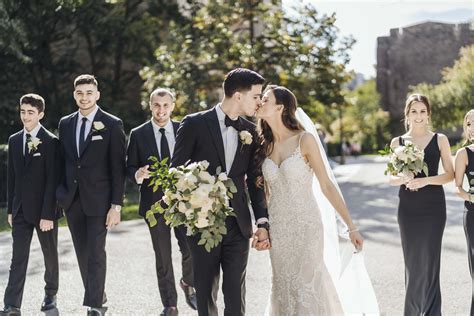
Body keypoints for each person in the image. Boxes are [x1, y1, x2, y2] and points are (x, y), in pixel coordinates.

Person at [255, 85, 378, 315]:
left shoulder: (305, 140)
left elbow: (327, 185)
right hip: (279, 228)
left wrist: (351, 227)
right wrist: (262, 226)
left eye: (264, 99)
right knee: (283, 286)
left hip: (307, 225)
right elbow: (264, 193)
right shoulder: (263, 145)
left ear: (280, 107)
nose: (259, 102)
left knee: (307, 286)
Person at [172, 68, 269, 315]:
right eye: (256, 96)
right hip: (202, 224)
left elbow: (255, 181)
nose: (259, 102)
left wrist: (262, 221)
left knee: (236, 295)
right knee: (205, 293)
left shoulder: (251, 132)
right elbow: (176, 173)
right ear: (238, 95)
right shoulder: (194, 123)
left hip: (238, 224)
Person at [56, 74, 126, 316]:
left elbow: (118, 168)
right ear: (74, 95)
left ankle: (95, 303)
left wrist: (116, 205)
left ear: (97, 95)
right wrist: (59, 193)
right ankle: (98, 291)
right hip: (72, 199)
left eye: (89, 93)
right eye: (80, 93)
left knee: (96, 251)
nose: (84, 98)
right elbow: (62, 161)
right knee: (82, 251)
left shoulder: (112, 123)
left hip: (100, 200)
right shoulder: (65, 124)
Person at [126, 88, 197, 316]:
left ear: (173, 106)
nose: (161, 110)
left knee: (189, 248)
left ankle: (188, 282)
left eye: (166, 105)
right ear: (150, 106)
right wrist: (138, 174)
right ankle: (170, 304)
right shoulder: (138, 134)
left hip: (182, 203)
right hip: (154, 204)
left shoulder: (183, 129)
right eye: (157, 105)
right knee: (163, 256)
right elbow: (128, 167)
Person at [388, 93, 454, 315]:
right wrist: (404, 179)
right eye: (414, 111)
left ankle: (432, 312)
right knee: (412, 262)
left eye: (422, 111)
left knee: (431, 262)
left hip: (434, 208)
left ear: (429, 114)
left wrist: (425, 180)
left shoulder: (440, 139)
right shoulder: (397, 143)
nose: (418, 116)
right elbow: (391, 177)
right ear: (407, 114)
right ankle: (413, 311)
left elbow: (450, 175)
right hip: (408, 208)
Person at [1, 94, 60, 315]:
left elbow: (53, 180)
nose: (25, 116)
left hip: (44, 212)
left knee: (50, 256)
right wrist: (9, 209)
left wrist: (48, 213)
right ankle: (12, 304)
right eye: (23, 111)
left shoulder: (51, 141)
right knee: (18, 258)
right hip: (20, 211)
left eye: (31, 112)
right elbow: (12, 178)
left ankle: (50, 295)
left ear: (40, 114)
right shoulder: (15, 140)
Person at [454, 109, 474, 315]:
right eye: (468, 124)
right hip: (473, 216)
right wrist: (471, 197)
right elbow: (457, 187)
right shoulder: (463, 154)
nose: (472, 128)